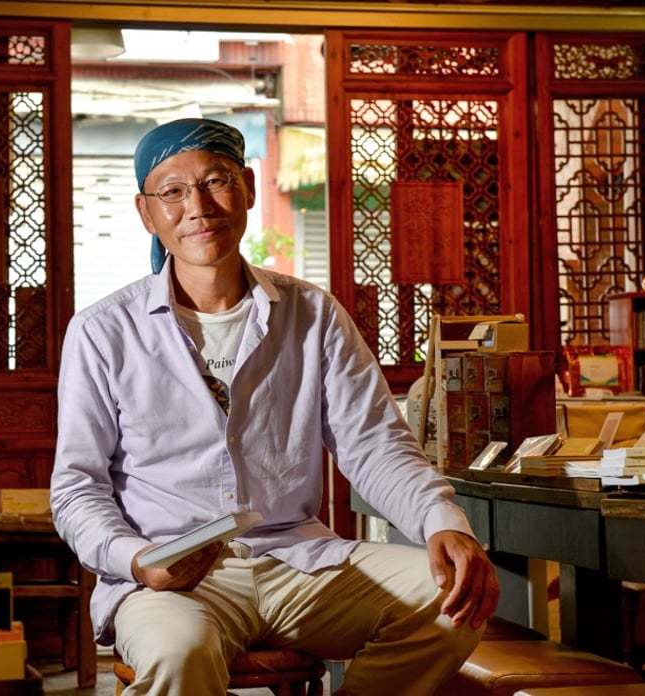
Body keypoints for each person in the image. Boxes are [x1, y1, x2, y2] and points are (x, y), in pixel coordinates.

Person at [50, 117, 500, 695]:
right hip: (171, 582)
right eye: (172, 191)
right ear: (147, 213)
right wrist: (137, 559)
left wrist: (442, 522)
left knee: (454, 595)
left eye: (216, 181)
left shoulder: (312, 313)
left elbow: (376, 447)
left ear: (249, 189)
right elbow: (76, 487)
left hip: (300, 562)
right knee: (179, 653)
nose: (198, 206)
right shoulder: (102, 331)